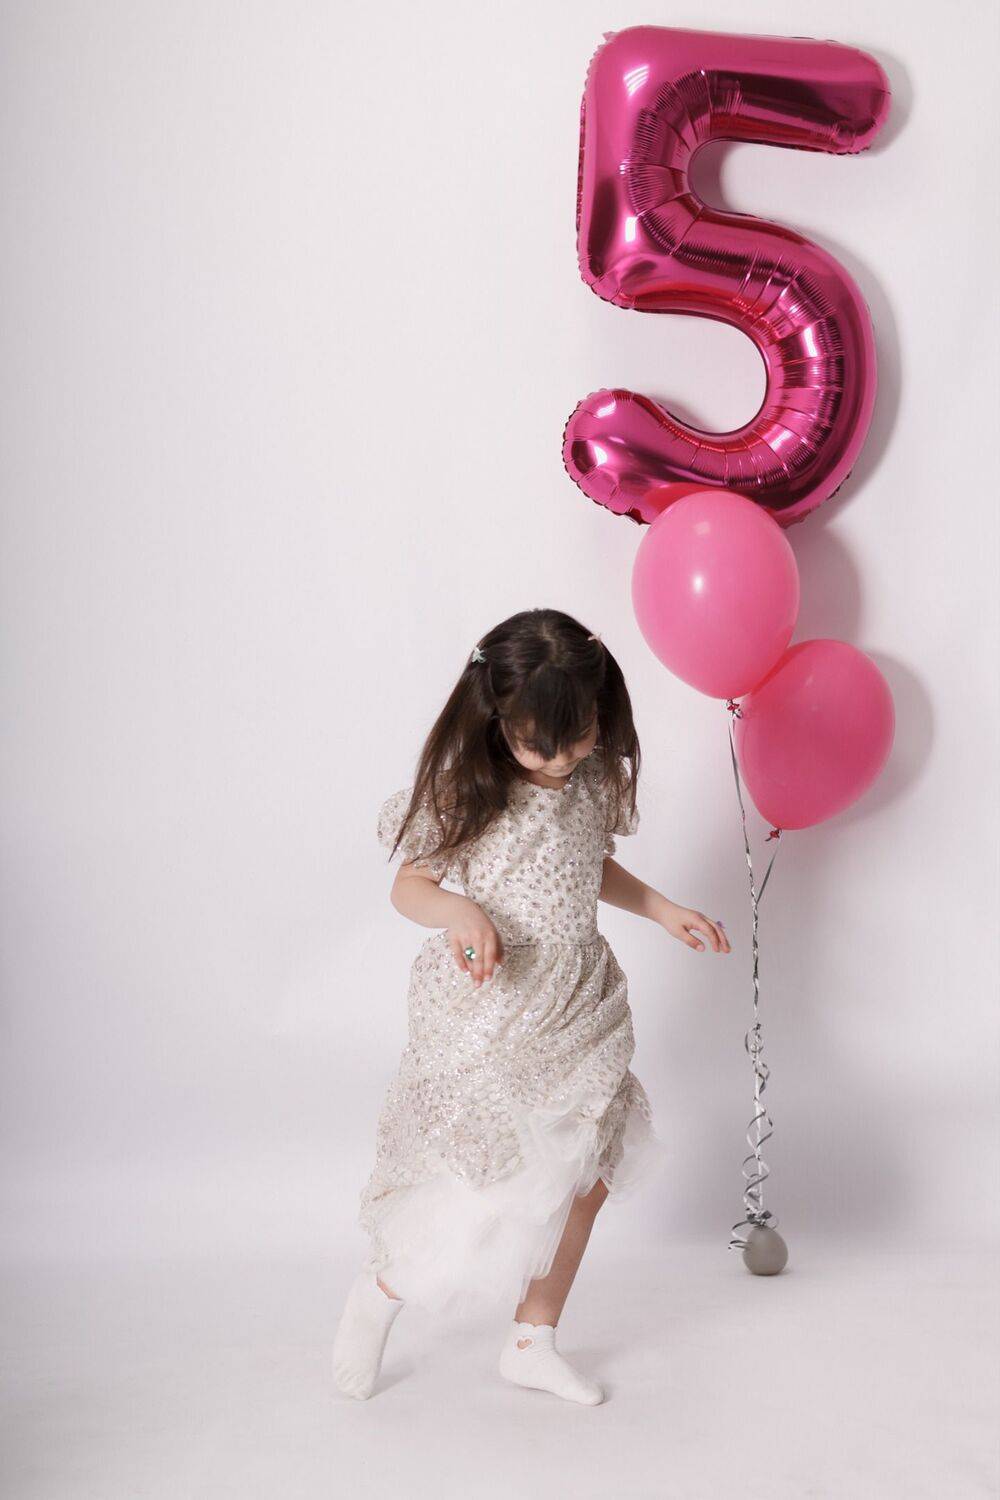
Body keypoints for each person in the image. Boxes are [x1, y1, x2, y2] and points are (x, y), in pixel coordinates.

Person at [333, 608, 730, 1404]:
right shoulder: (470, 789)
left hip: (579, 1004)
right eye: (538, 744)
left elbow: (589, 865)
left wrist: (661, 908)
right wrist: (460, 912)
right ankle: (381, 1293)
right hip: (500, 1007)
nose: (561, 758)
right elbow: (411, 885)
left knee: (587, 1171)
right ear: (498, 720)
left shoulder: (590, 781)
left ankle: (532, 1338)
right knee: (491, 1184)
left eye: (577, 735)